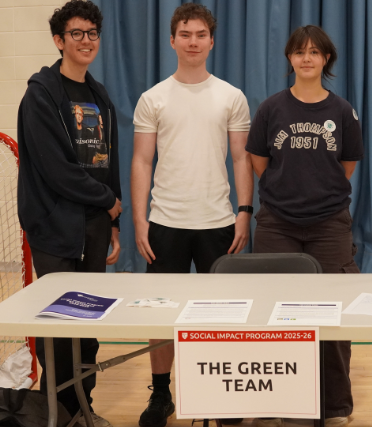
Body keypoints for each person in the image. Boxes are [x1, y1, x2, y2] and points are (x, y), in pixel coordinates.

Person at [131, 3, 253, 427]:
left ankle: (222, 394)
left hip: (219, 222)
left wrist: (243, 211)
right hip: (165, 222)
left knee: (224, 313)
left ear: (212, 40)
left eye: (201, 34)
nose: (193, 41)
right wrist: (140, 220)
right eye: (185, 34)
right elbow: (142, 162)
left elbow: (240, 159)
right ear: (172, 40)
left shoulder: (231, 96)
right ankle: (162, 394)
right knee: (162, 314)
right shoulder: (153, 98)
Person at [246, 25, 364, 427]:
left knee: (332, 314)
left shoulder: (342, 111)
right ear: (290, 58)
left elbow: (345, 167)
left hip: (330, 224)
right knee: (270, 312)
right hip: (278, 223)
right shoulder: (271, 109)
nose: (307, 58)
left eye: (315, 52)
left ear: (326, 58)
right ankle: (274, 400)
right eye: (300, 52)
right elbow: (259, 163)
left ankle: (333, 405)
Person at [16, 1, 122, 425]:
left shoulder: (99, 95)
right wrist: (108, 201)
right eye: (76, 34)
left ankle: (83, 407)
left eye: (92, 33)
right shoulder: (40, 96)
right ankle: (56, 412)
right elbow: (57, 171)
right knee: (58, 328)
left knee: (87, 326)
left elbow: (107, 162)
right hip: (55, 227)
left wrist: (112, 220)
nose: (86, 41)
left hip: (95, 224)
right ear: (59, 41)